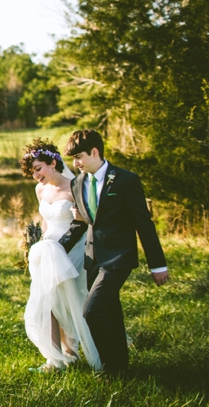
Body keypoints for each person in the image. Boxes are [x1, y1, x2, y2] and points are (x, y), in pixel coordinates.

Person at [59, 129, 169, 375]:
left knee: (92, 311)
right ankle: (121, 367)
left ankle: (108, 369)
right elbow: (80, 223)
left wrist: (158, 265)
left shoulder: (125, 180)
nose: (75, 164)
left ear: (95, 152)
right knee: (110, 313)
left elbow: (144, 223)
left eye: (78, 157)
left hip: (118, 257)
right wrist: (56, 247)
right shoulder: (77, 183)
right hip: (92, 258)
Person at [19, 138, 102, 373]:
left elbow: (87, 222)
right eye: (32, 171)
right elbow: (45, 222)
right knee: (48, 302)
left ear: (53, 162)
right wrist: (35, 246)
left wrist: (79, 222)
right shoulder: (39, 189)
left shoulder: (75, 186)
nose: (36, 175)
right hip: (47, 251)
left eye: (38, 169)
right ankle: (54, 360)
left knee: (70, 301)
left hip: (72, 251)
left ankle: (72, 352)